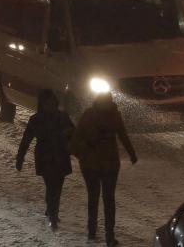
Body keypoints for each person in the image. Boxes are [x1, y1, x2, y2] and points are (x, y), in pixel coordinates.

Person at [70, 92, 137, 247]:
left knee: (103, 198)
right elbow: (78, 137)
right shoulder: (105, 115)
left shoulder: (95, 115)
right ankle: (102, 234)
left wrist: (78, 152)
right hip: (100, 164)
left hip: (103, 164)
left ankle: (100, 233)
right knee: (103, 198)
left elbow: (122, 135)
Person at [16, 90, 74, 231]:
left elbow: (74, 134)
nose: (50, 105)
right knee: (52, 186)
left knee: (56, 187)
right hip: (46, 157)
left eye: (52, 102)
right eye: (47, 102)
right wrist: (20, 157)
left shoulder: (62, 117)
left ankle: (51, 211)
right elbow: (26, 140)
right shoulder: (37, 119)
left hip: (59, 156)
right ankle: (53, 215)